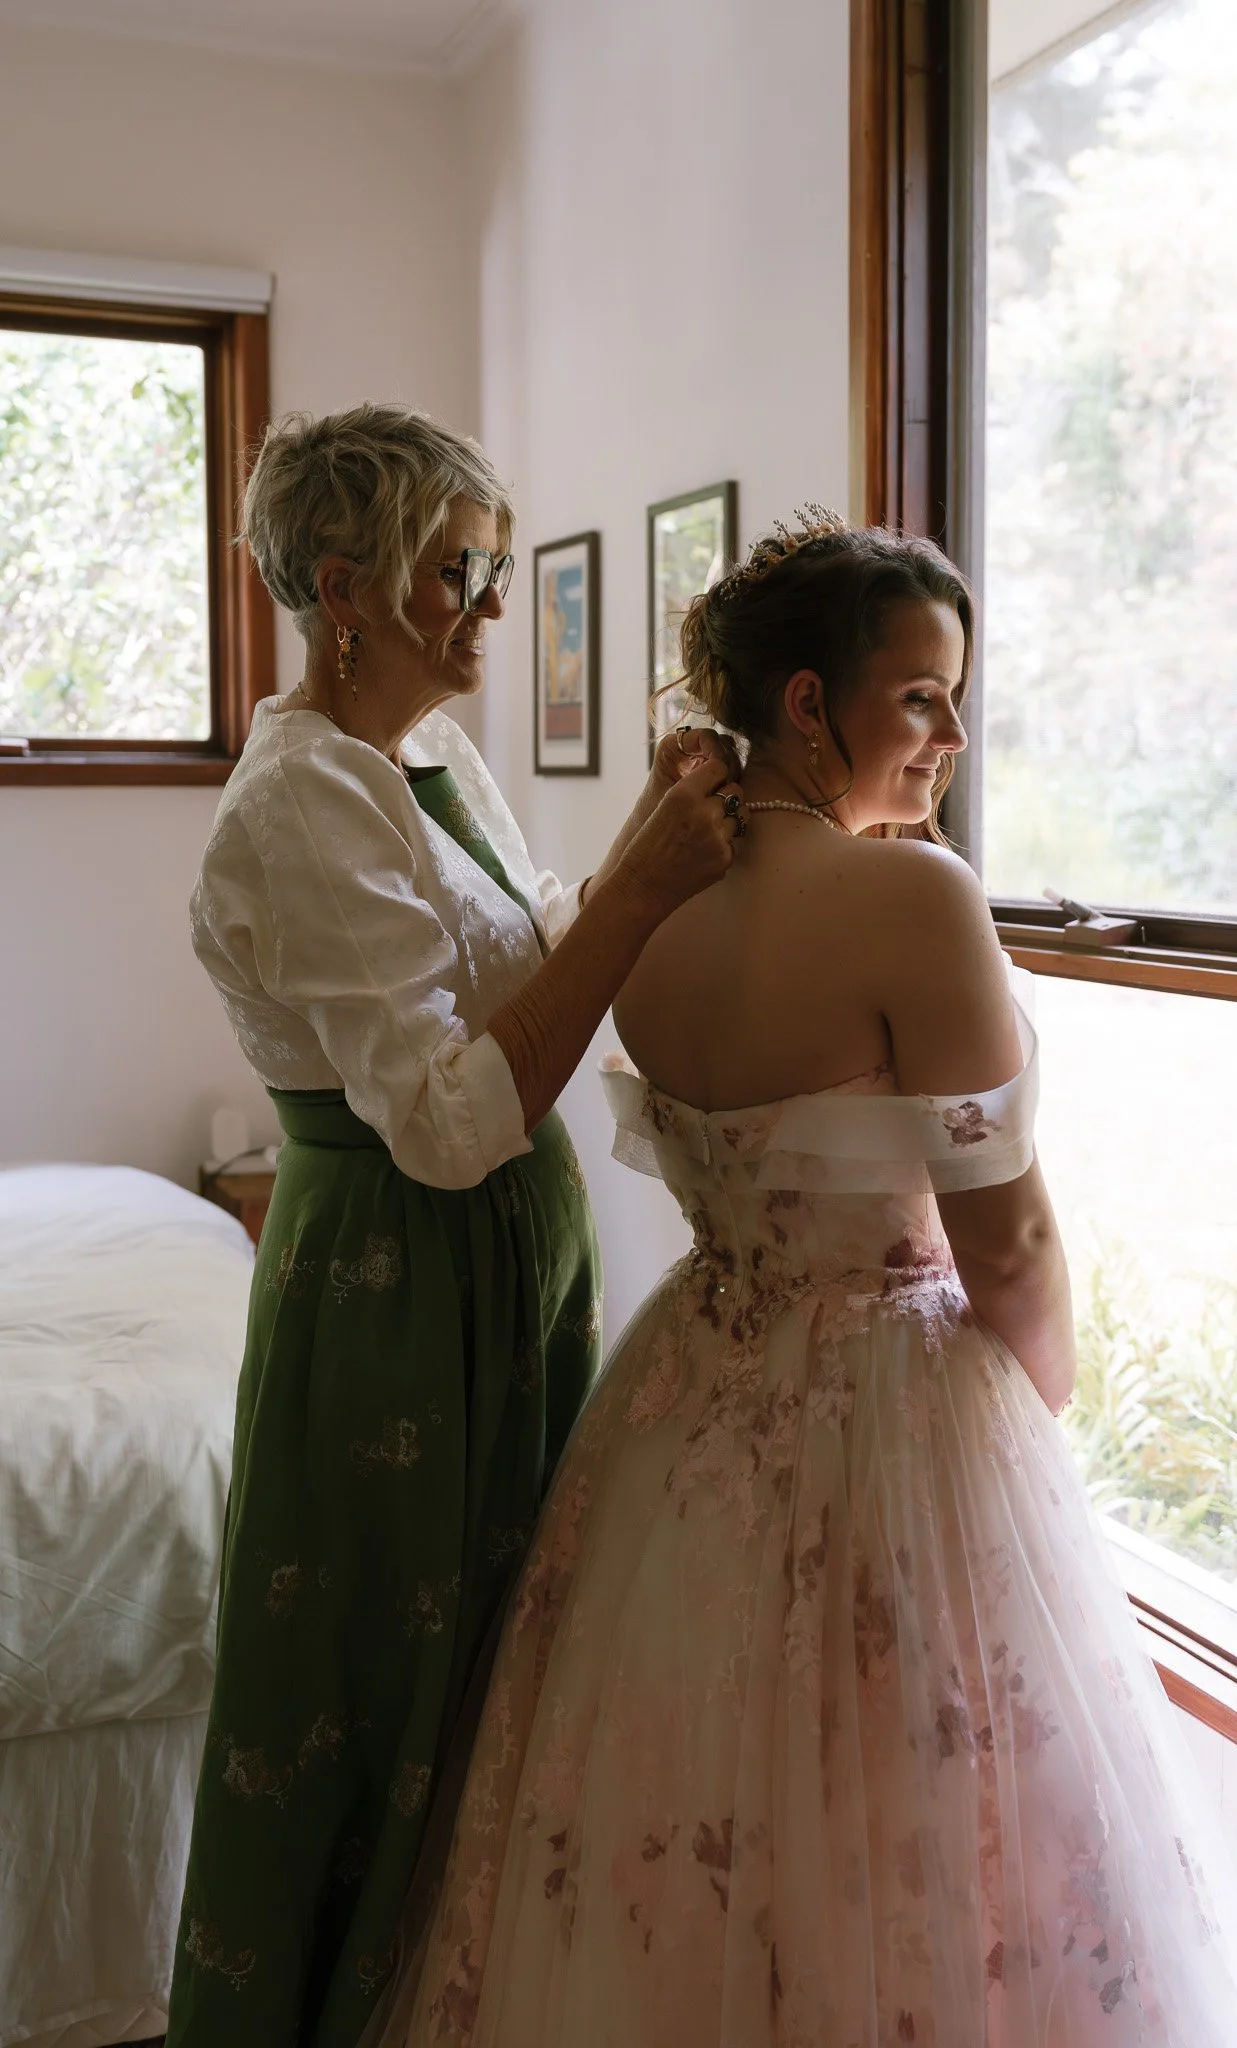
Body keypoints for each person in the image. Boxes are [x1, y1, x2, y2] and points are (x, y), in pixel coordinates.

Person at [371, 511, 1237, 2047]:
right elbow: (1006, 1241)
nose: (954, 735)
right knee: (919, 1845)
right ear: (809, 705)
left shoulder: (649, 890)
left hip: (681, 1409)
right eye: (921, 698)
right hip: (890, 1416)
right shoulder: (914, 900)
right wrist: (1036, 1422)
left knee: (671, 1838)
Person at [164, 403, 743, 2048]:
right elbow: (441, 1122)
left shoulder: (421, 757)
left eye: (491, 570)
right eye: (461, 571)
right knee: (377, 1698)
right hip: (395, 1288)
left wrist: (645, 842)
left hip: (498, 1270)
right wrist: (640, 893)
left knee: (497, 1669)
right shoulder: (298, 801)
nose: (493, 606)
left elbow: (535, 944)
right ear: (345, 587)